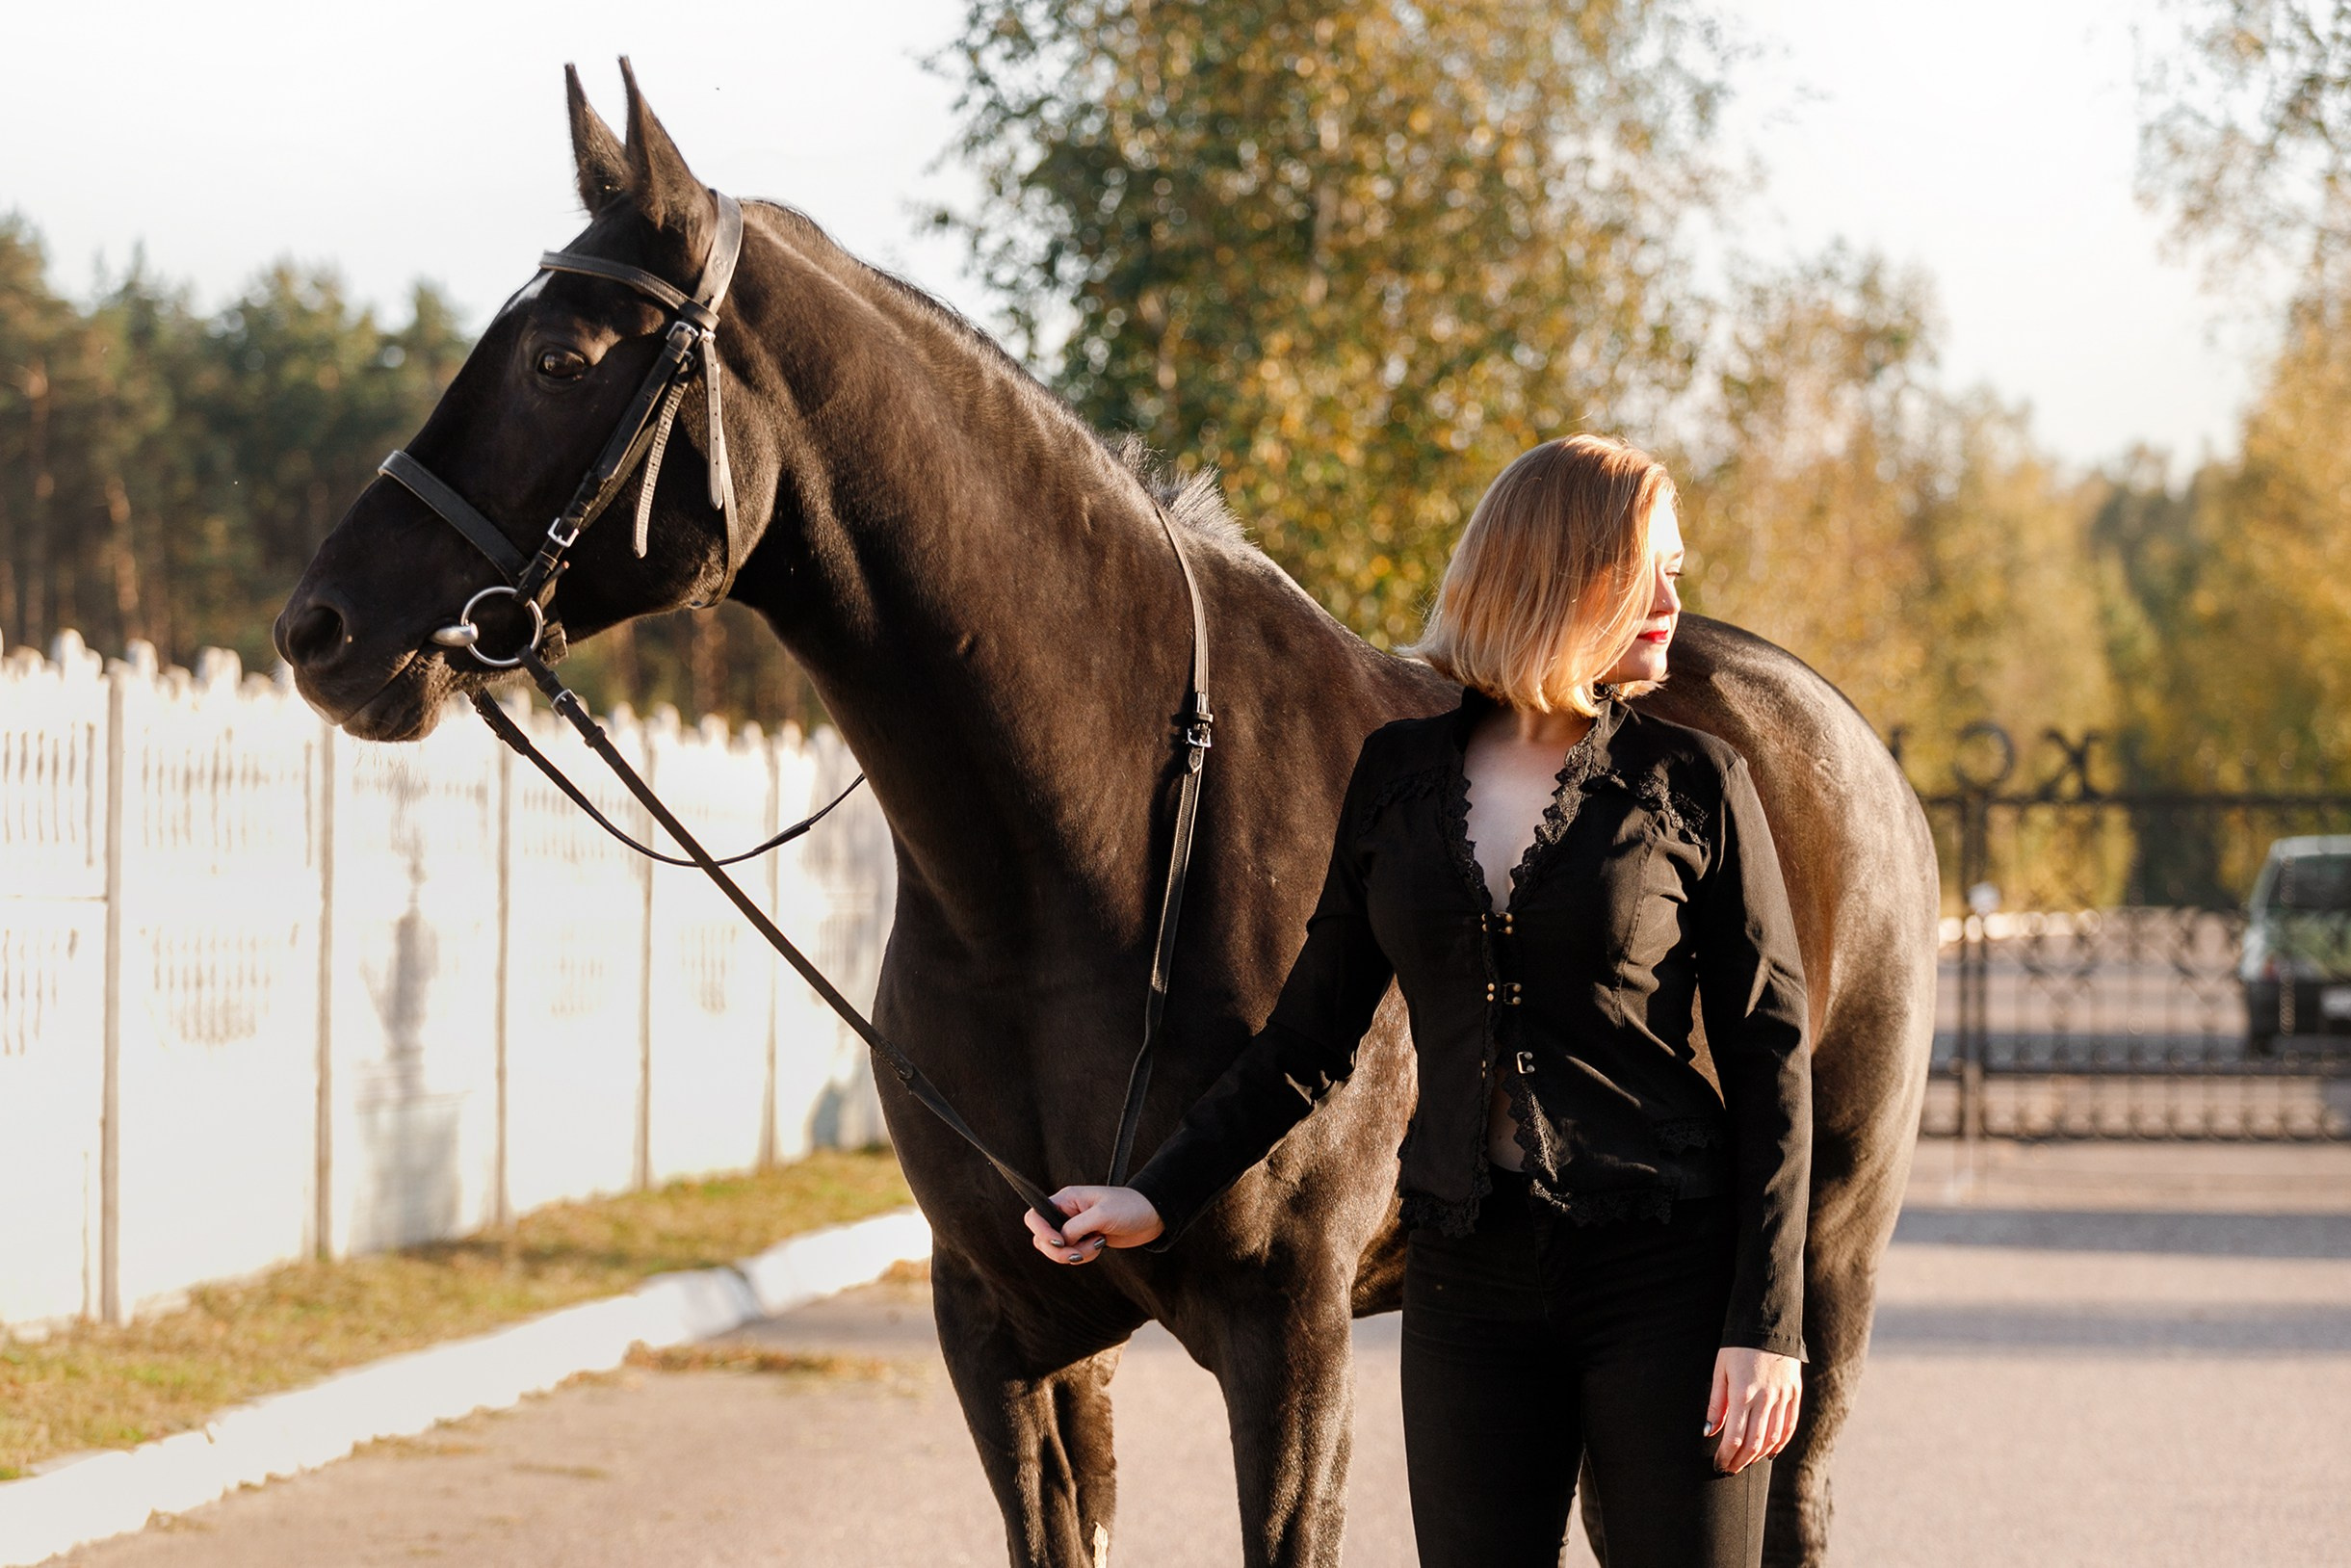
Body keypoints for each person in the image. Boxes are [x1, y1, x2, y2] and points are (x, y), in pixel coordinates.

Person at [1027, 434, 1811, 1568]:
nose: (1669, 600)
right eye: (1647, 568)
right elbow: (1306, 1037)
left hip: (1664, 1278)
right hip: (1468, 1282)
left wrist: (1765, 1327)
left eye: (1676, 570)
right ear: (1557, 572)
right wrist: (1155, 1196)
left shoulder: (1695, 782)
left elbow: (1770, 1059)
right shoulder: (1397, 776)